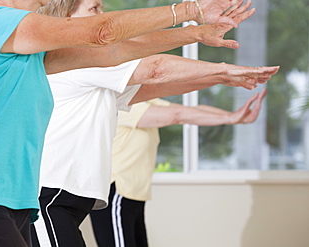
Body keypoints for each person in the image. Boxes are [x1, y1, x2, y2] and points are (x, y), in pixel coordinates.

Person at [0, 0, 253, 245]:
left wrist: (194, 33)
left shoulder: (27, 53)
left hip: (12, 201)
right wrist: (189, 10)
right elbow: (101, 32)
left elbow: (112, 50)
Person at [32, 0, 279, 246]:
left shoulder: (92, 72)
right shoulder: (74, 59)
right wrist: (223, 70)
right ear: (66, 20)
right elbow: (155, 69)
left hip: (65, 200)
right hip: (50, 197)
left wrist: (219, 78)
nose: (103, 16)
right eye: (94, 9)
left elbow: (153, 86)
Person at [89, 89, 267, 247]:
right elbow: (176, 115)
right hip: (115, 194)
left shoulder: (141, 100)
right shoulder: (117, 102)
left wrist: (235, 117)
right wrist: (229, 118)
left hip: (132, 196)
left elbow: (190, 110)